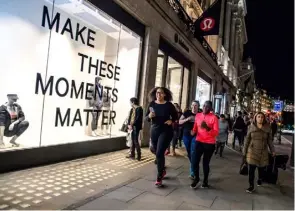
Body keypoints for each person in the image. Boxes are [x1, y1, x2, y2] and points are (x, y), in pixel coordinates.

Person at [145, 87, 178, 187]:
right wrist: (149, 116)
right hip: (154, 130)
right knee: (156, 151)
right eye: (157, 93)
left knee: (159, 153)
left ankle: (159, 177)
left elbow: (176, 116)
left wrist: (171, 121)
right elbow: (146, 118)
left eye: (160, 93)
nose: (158, 95)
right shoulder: (152, 104)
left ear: (164, 94)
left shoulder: (169, 105)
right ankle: (162, 169)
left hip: (166, 130)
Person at [243, 112, 275, 193]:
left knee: (261, 170)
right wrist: (244, 151)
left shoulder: (268, 128)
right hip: (252, 151)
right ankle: (251, 186)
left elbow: (270, 141)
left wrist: (273, 150)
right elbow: (247, 140)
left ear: (264, 118)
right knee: (251, 171)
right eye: (258, 117)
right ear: (255, 118)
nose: (260, 118)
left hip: (263, 152)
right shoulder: (251, 127)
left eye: (262, 117)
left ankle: (260, 179)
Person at [190, 101, 219, 189]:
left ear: (210, 109)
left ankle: (205, 181)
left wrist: (207, 128)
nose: (205, 108)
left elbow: (216, 133)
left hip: (209, 144)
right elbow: (195, 126)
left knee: (205, 163)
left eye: (208, 107)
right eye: (204, 106)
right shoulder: (198, 115)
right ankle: (197, 178)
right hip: (199, 141)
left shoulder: (214, 118)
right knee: (194, 161)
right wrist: (193, 131)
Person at [179, 100, 201, 179]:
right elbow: (179, 122)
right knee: (189, 152)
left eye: (196, 105)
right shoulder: (187, 113)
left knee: (193, 151)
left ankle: (192, 171)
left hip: (196, 135)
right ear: (191, 106)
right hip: (186, 135)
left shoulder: (200, 114)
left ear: (198, 106)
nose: (194, 107)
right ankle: (194, 164)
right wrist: (187, 119)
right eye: (193, 105)